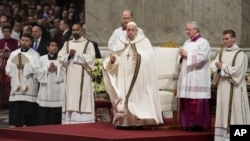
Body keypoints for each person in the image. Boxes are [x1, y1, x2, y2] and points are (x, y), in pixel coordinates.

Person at [103, 21, 163, 128]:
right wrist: (112, 60)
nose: (130, 32)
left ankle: (139, 122)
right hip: (124, 76)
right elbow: (117, 56)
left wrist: (140, 57)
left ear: (137, 31)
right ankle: (125, 122)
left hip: (139, 76)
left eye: (132, 30)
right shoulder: (121, 41)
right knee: (124, 96)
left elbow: (150, 57)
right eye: (128, 30)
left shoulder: (144, 41)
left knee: (137, 97)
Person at [211, 30, 250, 141]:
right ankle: (223, 138)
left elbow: (238, 72)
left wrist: (223, 67)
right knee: (223, 112)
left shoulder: (240, 54)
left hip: (235, 89)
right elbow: (214, 67)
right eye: (223, 39)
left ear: (234, 38)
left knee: (237, 113)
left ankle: (239, 137)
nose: (225, 41)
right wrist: (218, 68)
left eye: (227, 39)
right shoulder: (221, 52)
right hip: (223, 87)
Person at [58, 23, 96, 124]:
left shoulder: (89, 44)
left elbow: (91, 59)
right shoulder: (67, 44)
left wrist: (77, 54)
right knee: (70, 97)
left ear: (82, 31)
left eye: (77, 30)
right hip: (69, 78)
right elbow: (60, 58)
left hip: (83, 78)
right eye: (73, 30)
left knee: (82, 98)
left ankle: (82, 123)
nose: (75, 32)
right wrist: (69, 56)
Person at [177, 21, 211, 131]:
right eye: (186, 29)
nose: (187, 31)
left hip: (197, 75)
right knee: (187, 99)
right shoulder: (187, 42)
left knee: (196, 100)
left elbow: (203, 57)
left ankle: (197, 124)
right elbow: (182, 57)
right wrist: (181, 55)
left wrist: (188, 55)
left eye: (189, 29)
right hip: (187, 75)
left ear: (196, 30)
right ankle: (186, 123)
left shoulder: (203, 42)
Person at [5, 33, 40, 127]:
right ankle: (15, 124)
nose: (24, 42)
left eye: (27, 40)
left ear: (31, 42)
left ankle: (28, 125)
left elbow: (38, 70)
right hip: (16, 84)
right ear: (20, 40)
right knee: (16, 105)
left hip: (29, 84)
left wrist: (26, 67)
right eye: (23, 40)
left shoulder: (35, 55)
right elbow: (8, 69)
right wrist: (15, 67)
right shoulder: (14, 53)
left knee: (27, 107)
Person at [36, 41, 65, 125]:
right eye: (52, 45)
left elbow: (65, 73)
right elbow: (37, 73)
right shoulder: (42, 59)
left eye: (56, 46)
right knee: (44, 116)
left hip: (58, 90)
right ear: (48, 47)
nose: (54, 47)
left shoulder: (61, 59)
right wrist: (47, 69)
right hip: (45, 89)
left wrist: (57, 70)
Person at [0, 25, 19, 108]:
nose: (5, 33)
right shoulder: (0, 41)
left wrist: (9, 53)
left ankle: (9, 102)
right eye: (4, 32)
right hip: (1, 66)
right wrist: (2, 54)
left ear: (11, 32)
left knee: (9, 84)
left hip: (11, 66)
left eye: (7, 32)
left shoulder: (15, 42)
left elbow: (17, 54)